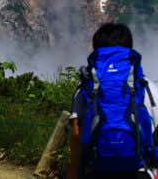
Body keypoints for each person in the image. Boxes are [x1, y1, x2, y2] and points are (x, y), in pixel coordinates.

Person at [68, 23, 158, 179]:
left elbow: (76, 134)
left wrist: (74, 171)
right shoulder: (148, 87)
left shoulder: (86, 88)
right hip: (138, 171)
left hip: (96, 170)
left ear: (96, 50)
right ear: (130, 50)